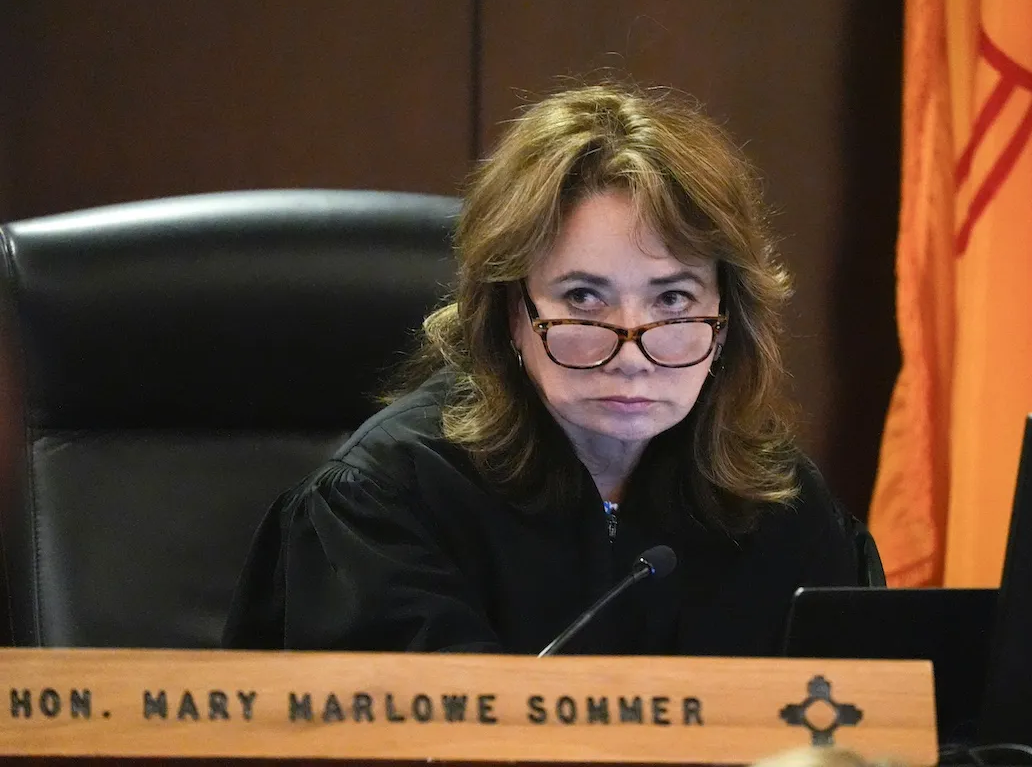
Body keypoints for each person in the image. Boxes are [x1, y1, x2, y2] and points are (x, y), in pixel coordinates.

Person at [223, 83, 883, 655]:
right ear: (512, 312)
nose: (630, 353)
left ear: (726, 320)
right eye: (583, 299)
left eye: (673, 299)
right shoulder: (381, 505)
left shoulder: (783, 508)